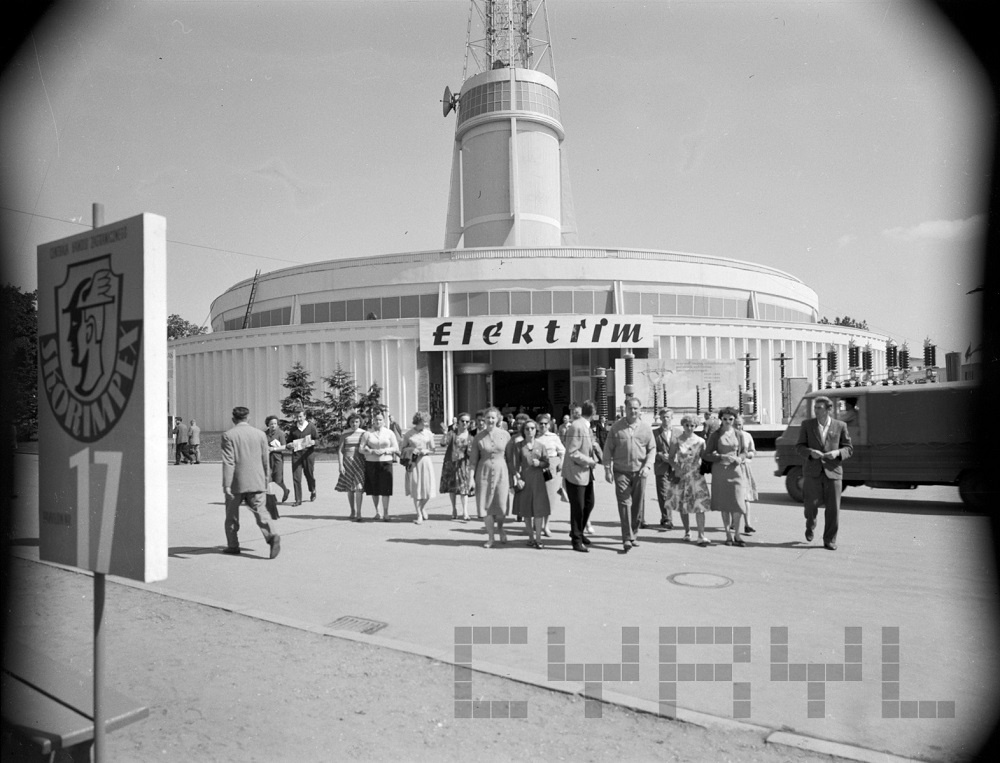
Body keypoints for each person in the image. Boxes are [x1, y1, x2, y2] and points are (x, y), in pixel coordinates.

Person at [221, 406, 281, 558]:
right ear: (248, 418)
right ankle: (272, 535)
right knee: (261, 511)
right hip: (257, 480)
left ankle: (233, 545)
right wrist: (267, 480)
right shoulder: (260, 435)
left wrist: (226, 484)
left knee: (231, 515)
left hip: (236, 483)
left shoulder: (229, 435)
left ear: (233, 419)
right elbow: (265, 460)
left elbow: (229, 462)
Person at [795, 395, 853, 550]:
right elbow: (799, 447)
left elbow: (848, 448)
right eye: (815, 408)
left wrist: (837, 453)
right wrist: (810, 452)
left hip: (833, 472)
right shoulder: (807, 425)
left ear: (829, 409)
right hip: (812, 471)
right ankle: (810, 524)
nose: (815, 411)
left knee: (833, 509)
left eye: (819, 408)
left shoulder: (840, 426)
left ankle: (829, 539)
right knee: (810, 506)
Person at [603, 397, 656, 553]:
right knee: (625, 503)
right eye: (630, 408)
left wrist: (647, 466)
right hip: (621, 471)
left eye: (636, 408)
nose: (633, 411)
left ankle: (634, 534)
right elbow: (608, 449)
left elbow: (652, 449)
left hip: (640, 472)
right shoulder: (616, 428)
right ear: (624, 410)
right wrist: (607, 469)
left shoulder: (646, 428)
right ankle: (626, 537)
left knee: (637, 505)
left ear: (640, 410)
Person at [704, 407, 748, 546]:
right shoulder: (715, 435)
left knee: (738, 502)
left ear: (734, 419)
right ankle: (728, 534)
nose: (728, 421)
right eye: (725, 419)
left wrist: (740, 459)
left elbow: (744, 452)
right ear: (720, 419)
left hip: (735, 470)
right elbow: (706, 454)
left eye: (731, 419)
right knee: (725, 504)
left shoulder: (738, 434)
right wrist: (720, 457)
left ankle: (738, 534)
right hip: (720, 471)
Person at [562, 399, 602, 553]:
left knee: (588, 503)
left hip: (585, 472)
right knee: (578, 506)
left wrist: (597, 452)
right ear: (594, 413)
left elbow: (590, 443)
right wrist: (590, 461)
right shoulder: (577, 426)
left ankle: (578, 531)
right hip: (576, 472)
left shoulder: (585, 426)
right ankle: (576, 539)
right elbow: (572, 452)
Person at [468, 407, 511, 548]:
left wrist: (515, 476)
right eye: (488, 418)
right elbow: (473, 461)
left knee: (501, 507)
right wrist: (470, 479)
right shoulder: (478, 437)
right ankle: (491, 537)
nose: (490, 420)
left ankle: (500, 528)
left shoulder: (505, 435)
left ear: (498, 419)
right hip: (483, 474)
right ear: (484, 420)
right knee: (485, 506)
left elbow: (510, 459)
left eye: (493, 417)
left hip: (502, 474)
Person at [669, 414, 713, 545]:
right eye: (687, 425)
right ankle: (687, 532)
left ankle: (701, 535)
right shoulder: (676, 440)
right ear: (683, 425)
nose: (689, 428)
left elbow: (705, 457)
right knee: (683, 505)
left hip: (696, 475)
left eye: (692, 425)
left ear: (696, 426)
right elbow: (671, 458)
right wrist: (676, 467)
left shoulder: (700, 441)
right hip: (681, 475)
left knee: (700, 506)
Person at [511, 419, 551, 548]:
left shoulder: (541, 446)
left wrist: (539, 463)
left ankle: (539, 539)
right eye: (527, 428)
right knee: (527, 511)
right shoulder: (518, 446)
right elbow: (514, 465)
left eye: (532, 428)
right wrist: (518, 478)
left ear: (536, 430)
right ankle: (531, 538)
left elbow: (547, 462)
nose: (530, 431)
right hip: (525, 480)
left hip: (538, 481)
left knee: (539, 510)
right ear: (523, 430)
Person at [360, 410, 399, 520]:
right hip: (371, 463)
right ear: (373, 420)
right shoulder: (367, 433)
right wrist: (371, 451)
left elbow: (395, 447)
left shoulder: (389, 433)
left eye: (380, 419)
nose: (378, 421)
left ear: (383, 420)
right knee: (374, 489)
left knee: (385, 489)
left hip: (386, 462)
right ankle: (377, 512)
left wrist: (385, 450)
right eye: (376, 419)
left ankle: (386, 512)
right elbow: (361, 449)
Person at [401, 411, 437, 523]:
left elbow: (433, 449)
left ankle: (422, 508)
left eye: (427, 422)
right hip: (414, 463)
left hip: (425, 462)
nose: (426, 424)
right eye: (423, 422)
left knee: (427, 489)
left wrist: (428, 450)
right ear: (418, 421)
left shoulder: (428, 433)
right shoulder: (408, 434)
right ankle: (419, 515)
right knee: (416, 488)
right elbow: (402, 450)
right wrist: (412, 450)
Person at [535, 413, 566, 537]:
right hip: (536, 468)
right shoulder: (533, 437)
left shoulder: (553, 437)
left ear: (549, 425)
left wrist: (561, 464)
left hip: (550, 467)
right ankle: (536, 521)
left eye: (545, 424)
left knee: (548, 497)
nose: (543, 426)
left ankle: (546, 525)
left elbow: (562, 451)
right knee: (536, 496)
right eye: (541, 423)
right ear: (537, 425)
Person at [439, 412, 473, 521]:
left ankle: (465, 512)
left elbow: (472, 452)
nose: (464, 423)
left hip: (463, 465)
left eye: (467, 421)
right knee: (452, 488)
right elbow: (443, 443)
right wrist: (445, 433)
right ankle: (453, 509)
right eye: (462, 421)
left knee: (464, 488)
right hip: (451, 463)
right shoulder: (452, 434)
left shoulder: (471, 437)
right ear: (458, 422)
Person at [335, 412, 366, 520]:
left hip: (360, 463)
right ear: (349, 422)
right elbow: (340, 451)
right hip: (347, 463)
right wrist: (340, 465)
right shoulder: (345, 434)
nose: (354, 424)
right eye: (352, 422)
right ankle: (352, 510)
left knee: (359, 488)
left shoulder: (364, 434)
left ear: (360, 422)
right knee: (350, 489)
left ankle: (359, 512)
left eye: (356, 422)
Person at [653, 408, 679, 529]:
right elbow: (650, 450)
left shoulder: (678, 433)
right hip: (661, 466)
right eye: (663, 417)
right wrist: (659, 455)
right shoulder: (655, 433)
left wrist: (676, 456)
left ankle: (667, 517)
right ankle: (667, 518)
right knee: (663, 493)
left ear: (672, 418)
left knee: (672, 493)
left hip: (675, 467)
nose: (665, 419)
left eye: (668, 417)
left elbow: (684, 448)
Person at [286, 409, 319, 506]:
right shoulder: (293, 429)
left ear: (305, 416)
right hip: (296, 455)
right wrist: (289, 445)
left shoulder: (311, 427)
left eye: (300, 416)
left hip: (308, 454)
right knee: (296, 477)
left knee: (309, 474)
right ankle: (298, 499)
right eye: (297, 417)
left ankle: (312, 489)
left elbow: (317, 440)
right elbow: (288, 442)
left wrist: (313, 442)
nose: (299, 419)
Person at [734, 415, 758, 533]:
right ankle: (734, 522)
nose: (737, 426)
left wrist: (749, 455)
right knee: (734, 497)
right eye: (735, 424)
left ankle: (748, 524)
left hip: (744, 467)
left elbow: (753, 451)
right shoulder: (728, 436)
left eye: (739, 424)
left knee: (746, 497)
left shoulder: (747, 436)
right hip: (732, 469)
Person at [264, 415, 290, 503]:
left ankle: (286, 490)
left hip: (277, 458)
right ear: (268, 424)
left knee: (278, 479)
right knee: (268, 479)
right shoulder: (264, 434)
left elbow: (284, 446)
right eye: (271, 424)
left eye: (275, 424)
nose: (273, 425)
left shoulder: (281, 433)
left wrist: (274, 449)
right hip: (267, 458)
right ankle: (272, 497)